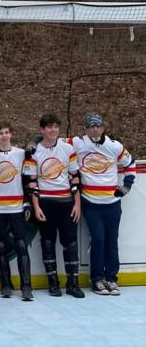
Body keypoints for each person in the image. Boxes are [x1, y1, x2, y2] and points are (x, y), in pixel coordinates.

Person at [69, 113, 135, 296]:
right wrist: (34, 144)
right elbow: (53, 141)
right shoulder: (78, 143)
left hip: (112, 203)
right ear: (85, 129)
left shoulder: (114, 146)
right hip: (91, 203)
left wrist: (126, 186)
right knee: (98, 240)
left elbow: (130, 163)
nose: (95, 129)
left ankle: (112, 278)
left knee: (112, 241)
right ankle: (97, 279)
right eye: (91, 126)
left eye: (98, 126)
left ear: (103, 128)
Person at [25, 114, 85, 298]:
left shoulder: (68, 149)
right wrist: (36, 207)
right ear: (42, 130)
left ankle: (73, 284)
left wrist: (77, 204)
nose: (53, 130)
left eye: (56, 127)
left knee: (71, 244)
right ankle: (53, 283)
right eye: (49, 127)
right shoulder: (33, 152)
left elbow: (75, 178)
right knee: (47, 243)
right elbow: (32, 183)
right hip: (45, 203)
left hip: (67, 203)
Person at [0, 121, 34, 301]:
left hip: (17, 207)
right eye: (0, 133)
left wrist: (27, 202)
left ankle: (26, 286)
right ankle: (5, 285)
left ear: (11, 134)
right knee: (0, 246)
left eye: (6, 132)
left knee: (21, 245)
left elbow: (26, 179)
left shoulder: (21, 154)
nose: (4, 136)